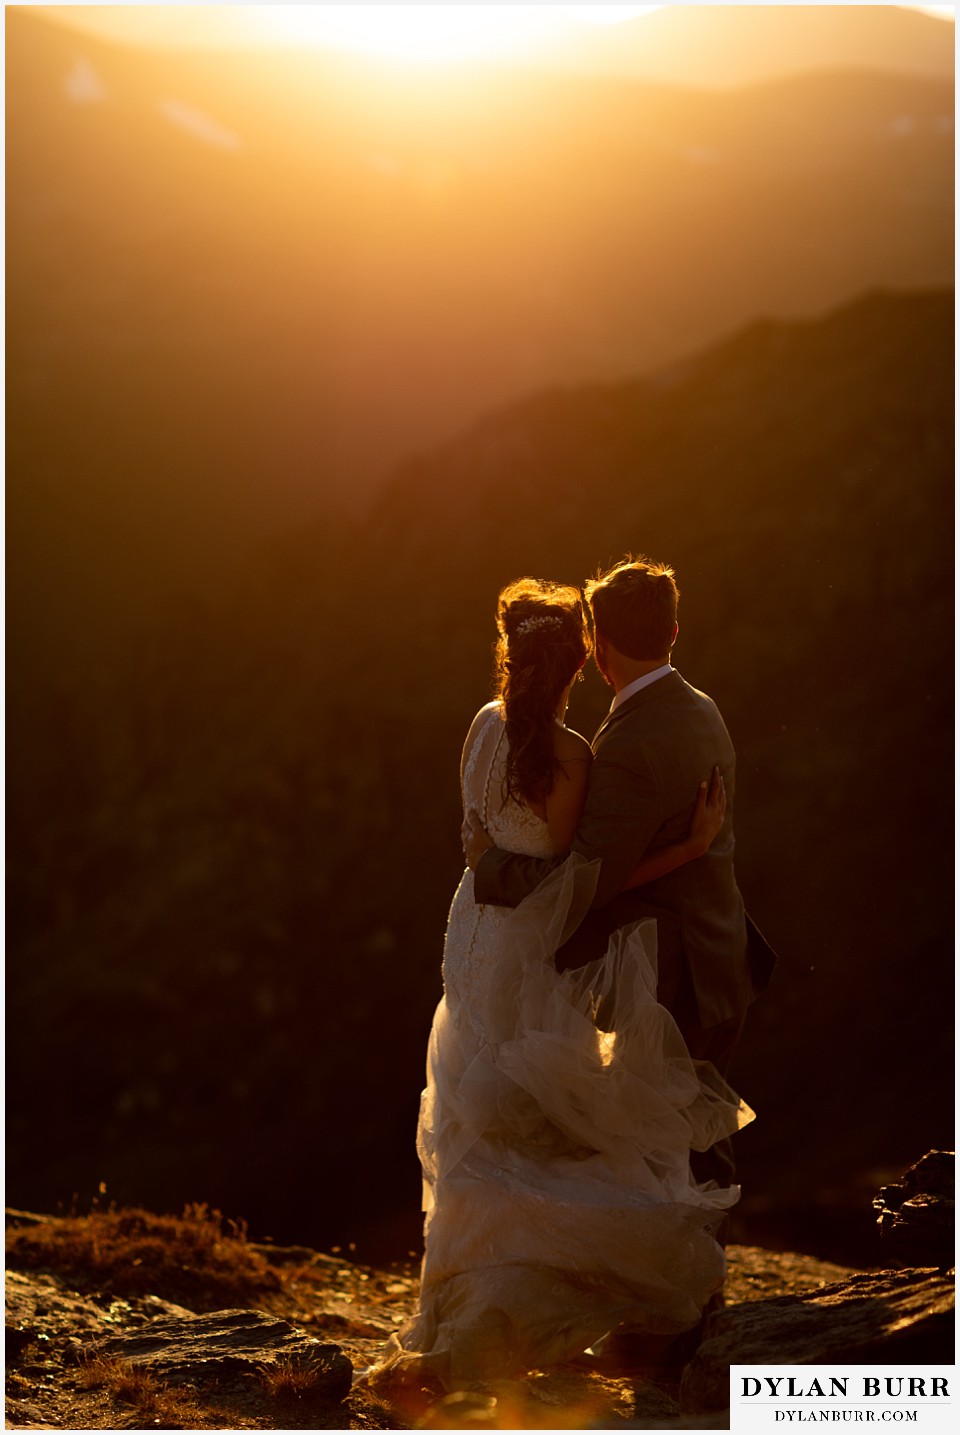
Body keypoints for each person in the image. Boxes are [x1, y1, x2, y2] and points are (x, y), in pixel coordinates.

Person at [372, 575, 755, 1393]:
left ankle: (478, 1292)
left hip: (478, 933)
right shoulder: (660, 723)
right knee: (550, 1114)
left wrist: (484, 862)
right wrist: (691, 849)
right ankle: (644, 1310)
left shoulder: (495, 729)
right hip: (582, 939)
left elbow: (562, 868)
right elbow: (574, 877)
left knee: (483, 1105)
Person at [465, 557, 777, 1194]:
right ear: (672, 632)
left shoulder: (626, 747)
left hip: (676, 976)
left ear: (601, 646)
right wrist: (690, 848)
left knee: (673, 1139)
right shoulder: (699, 706)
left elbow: (586, 881)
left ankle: (691, 1285)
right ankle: (700, 1279)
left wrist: (490, 866)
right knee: (695, 1129)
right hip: (718, 952)